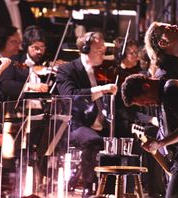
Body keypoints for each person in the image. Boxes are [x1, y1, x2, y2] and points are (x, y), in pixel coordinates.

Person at [56, 31, 117, 197]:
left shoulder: (102, 70)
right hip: (76, 124)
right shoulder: (67, 70)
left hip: (103, 123)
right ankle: (88, 188)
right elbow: (71, 95)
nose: (103, 52)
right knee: (92, 140)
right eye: (98, 48)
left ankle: (113, 190)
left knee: (126, 139)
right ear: (85, 48)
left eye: (104, 48)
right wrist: (101, 89)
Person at [0, 25, 49, 100]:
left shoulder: (47, 63)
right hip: (18, 107)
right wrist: (27, 86)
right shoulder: (14, 61)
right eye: (35, 48)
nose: (39, 51)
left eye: (42, 47)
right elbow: (5, 84)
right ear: (26, 46)